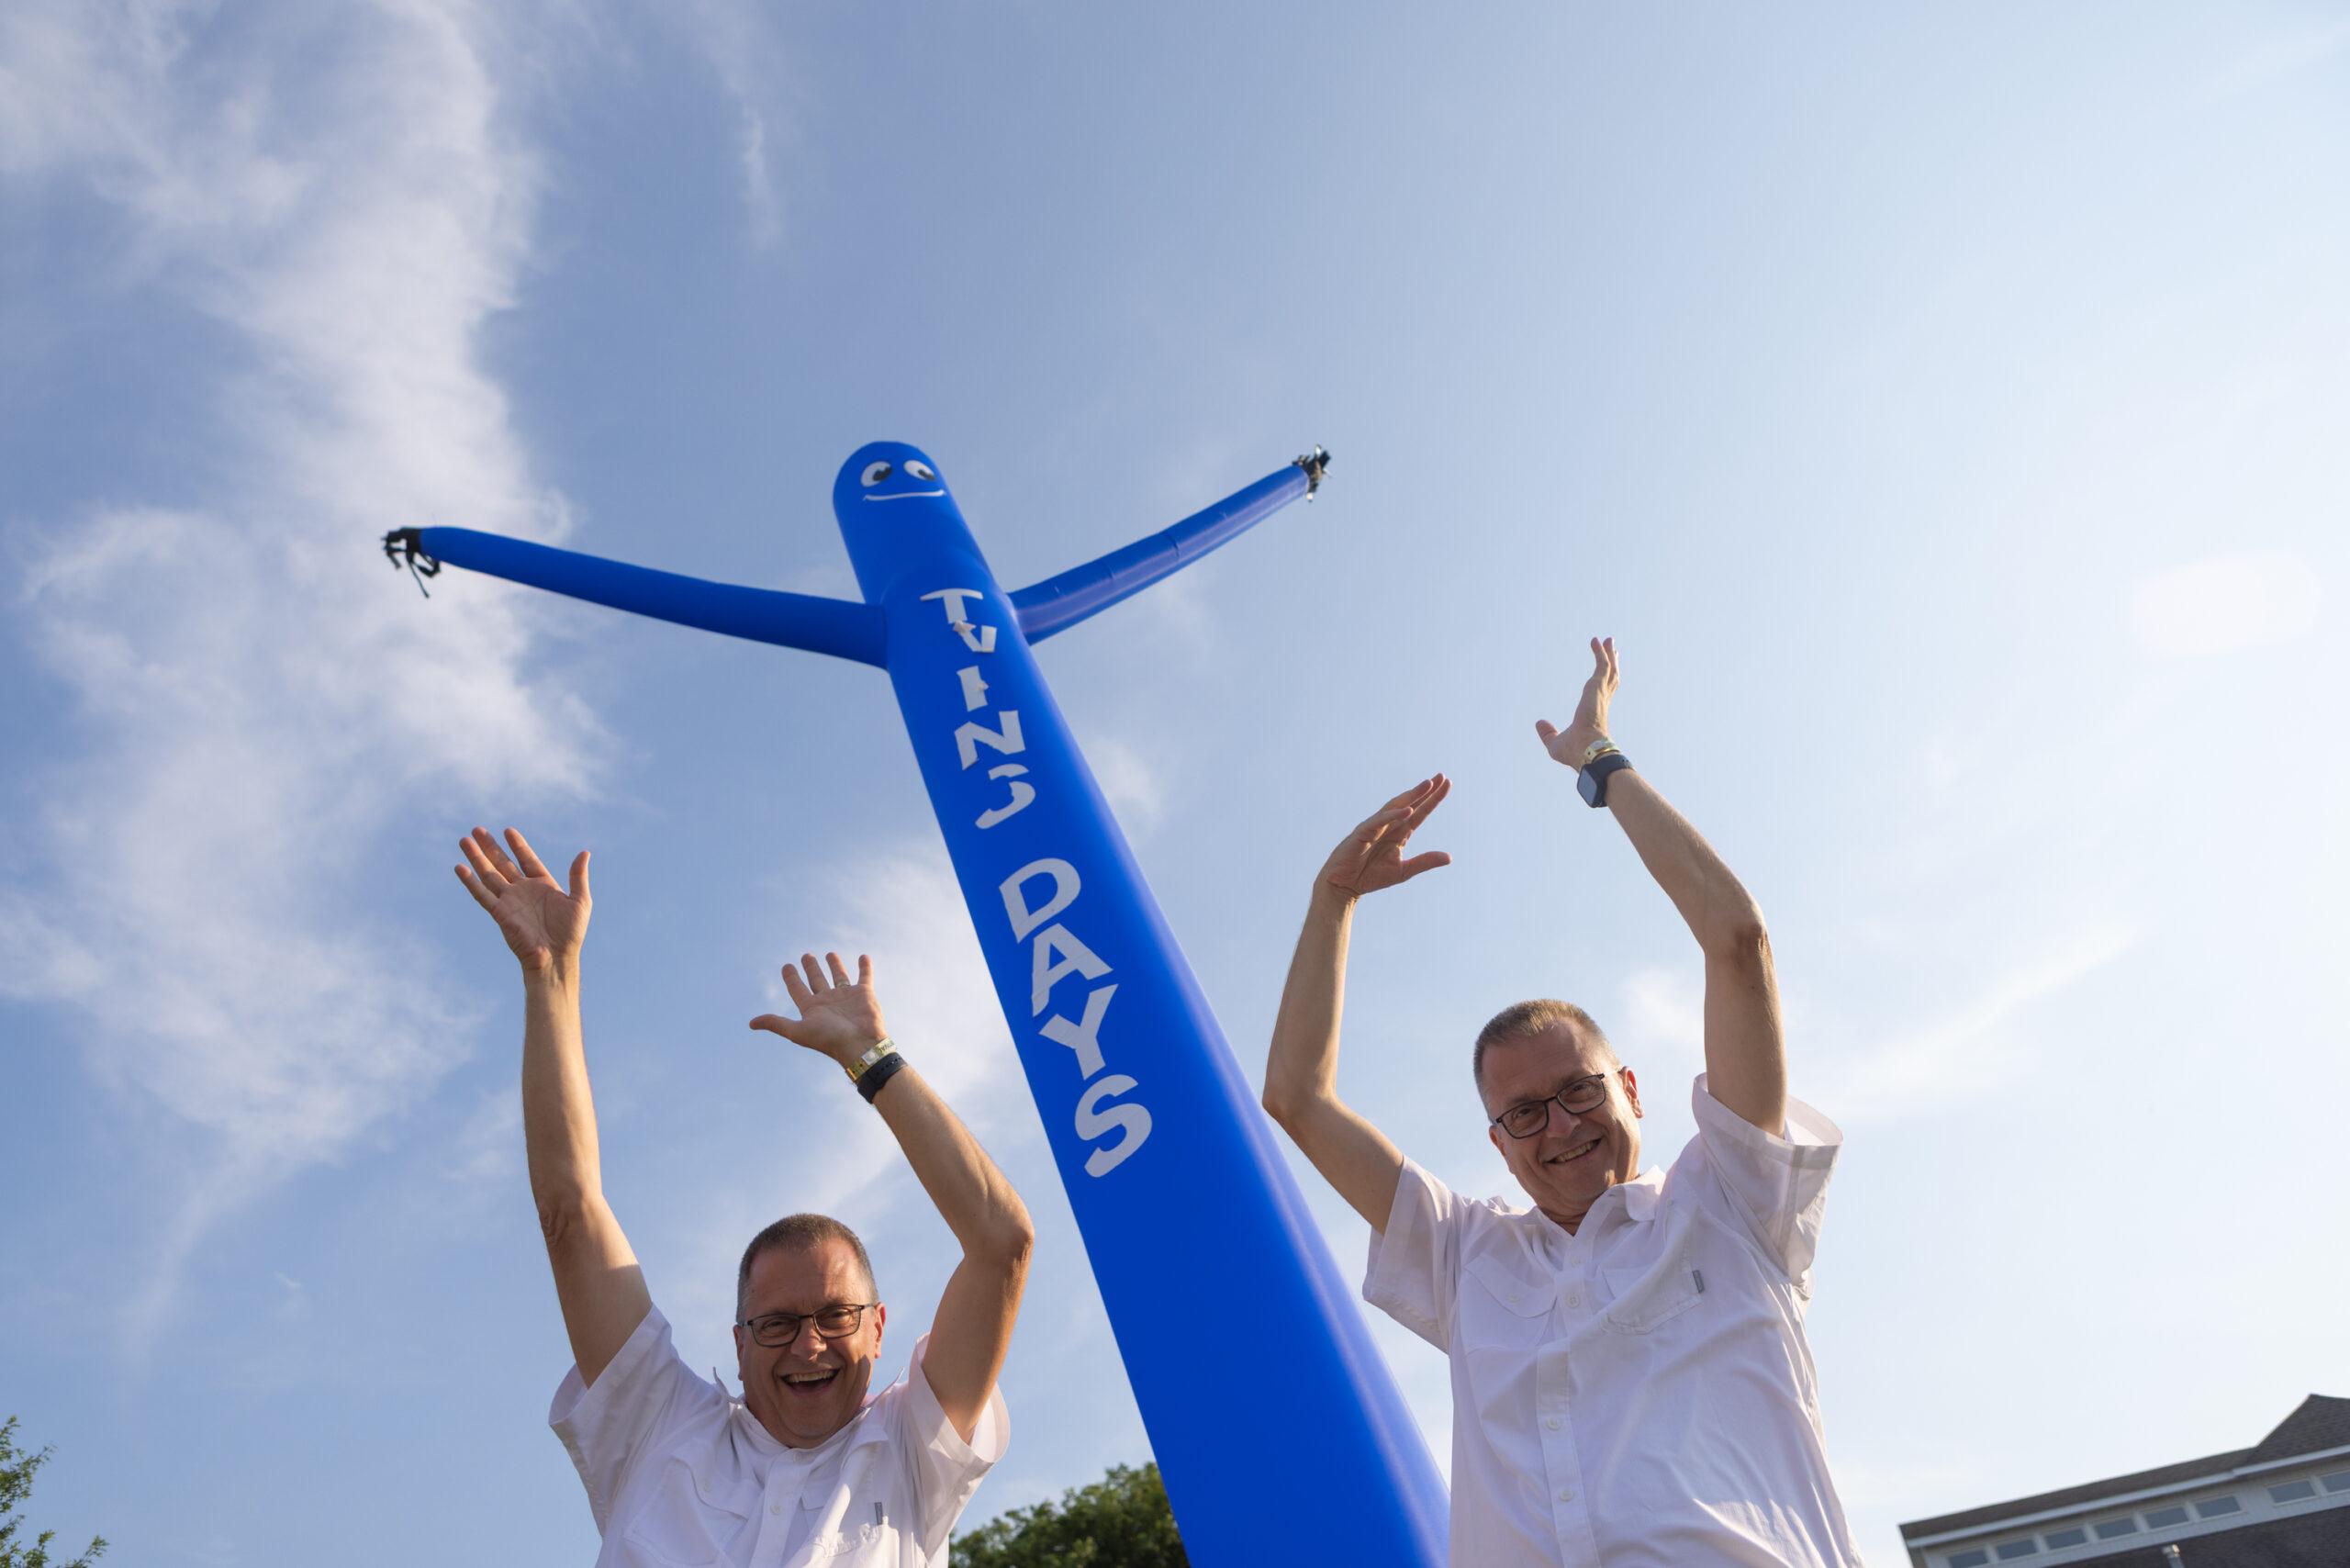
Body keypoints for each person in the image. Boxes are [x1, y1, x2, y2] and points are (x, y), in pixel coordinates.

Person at [1259, 639, 1863, 1568]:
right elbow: (1296, 1098)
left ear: (1628, 1087)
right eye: (1525, 1113)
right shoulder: (1466, 1259)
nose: (1561, 1126)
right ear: (1497, 1144)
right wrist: (1331, 901)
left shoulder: (1732, 1200)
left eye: (1578, 1090)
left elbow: (1736, 940)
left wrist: (1598, 760)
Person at [454, 826, 1033, 1568]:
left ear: (879, 1327)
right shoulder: (658, 1426)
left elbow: (1002, 1244)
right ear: (737, 1338)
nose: (809, 1345)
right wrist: (550, 976)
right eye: (778, 1323)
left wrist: (873, 1061)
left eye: (836, 1315)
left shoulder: (914, 1450)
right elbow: (570, 1211)